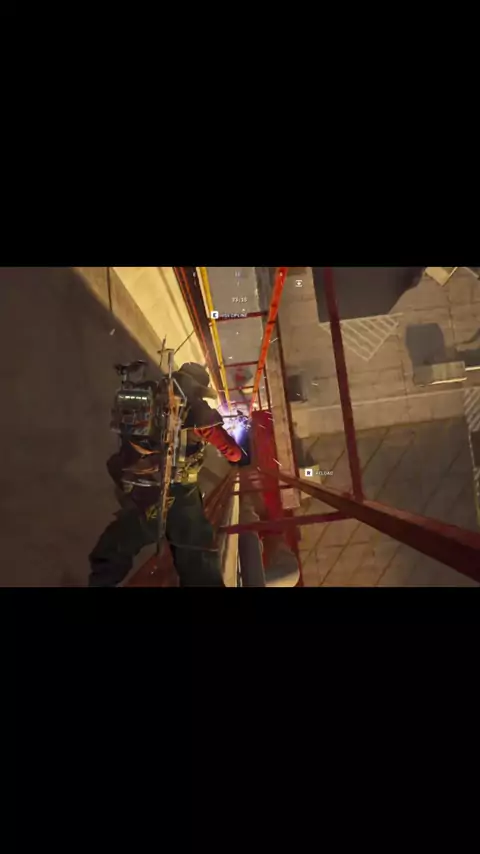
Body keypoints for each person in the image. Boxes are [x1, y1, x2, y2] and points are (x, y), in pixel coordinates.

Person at [89, 362, 242, 587]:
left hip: (146, 485)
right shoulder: (199, 412)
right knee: (196, 551)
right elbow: (234, 454)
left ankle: (100, 582)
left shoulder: (153, 395)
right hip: (181, 492)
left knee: (121, 541)